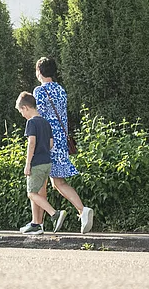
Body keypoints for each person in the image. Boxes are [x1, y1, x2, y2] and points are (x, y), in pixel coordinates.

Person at [33, 57, 93, 233]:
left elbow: (40, 118)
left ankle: (39, 223)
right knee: (58, 181)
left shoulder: (39, 91)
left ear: (39, 72)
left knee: (40, 184)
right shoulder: (61, 90)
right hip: (61, 140)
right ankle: (82, 211)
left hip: (47, 141)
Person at [16, 92, 61, 235]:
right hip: (47, 162)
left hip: (36, 163)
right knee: (40, 193)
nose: (22, 115)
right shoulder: (45, 122)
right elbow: (51, 144)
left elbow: (31, 143)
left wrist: (27, 163)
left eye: (21, 111)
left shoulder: (31, 122)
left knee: (31, 193)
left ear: (25, 108)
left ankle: (55, 214)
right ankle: (36, 224)